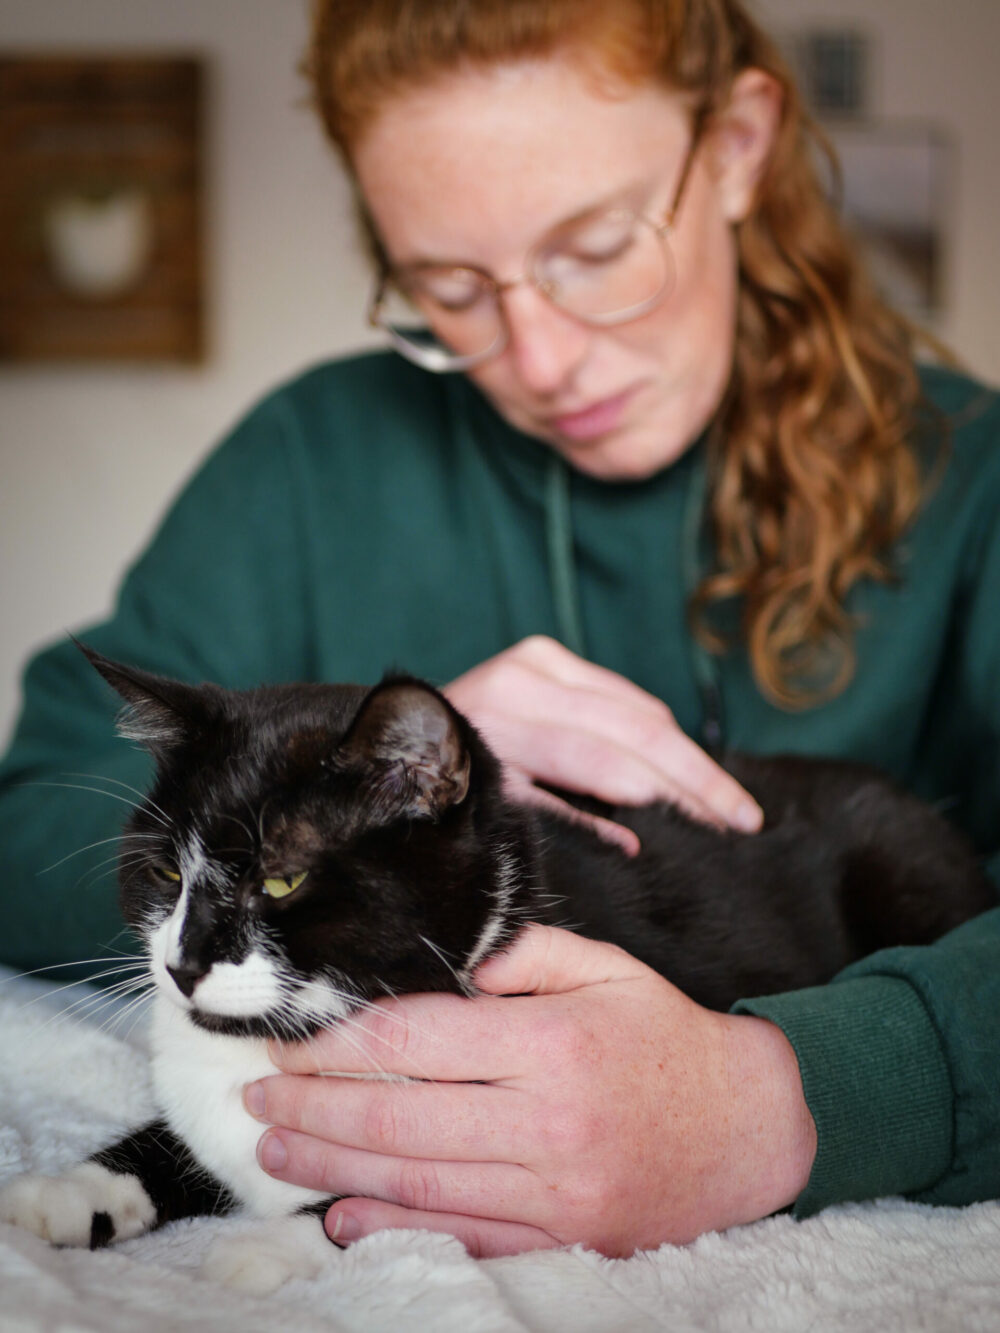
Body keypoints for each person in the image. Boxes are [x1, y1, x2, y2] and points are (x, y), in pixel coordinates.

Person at [2, 0, 998, 1258]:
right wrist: (314, 809)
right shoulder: (301, 464)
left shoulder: (974, 482)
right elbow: (22, 818)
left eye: (595, 247)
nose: (539, 355)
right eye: (448, 287)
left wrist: (805, 1093)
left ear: (739, 147)